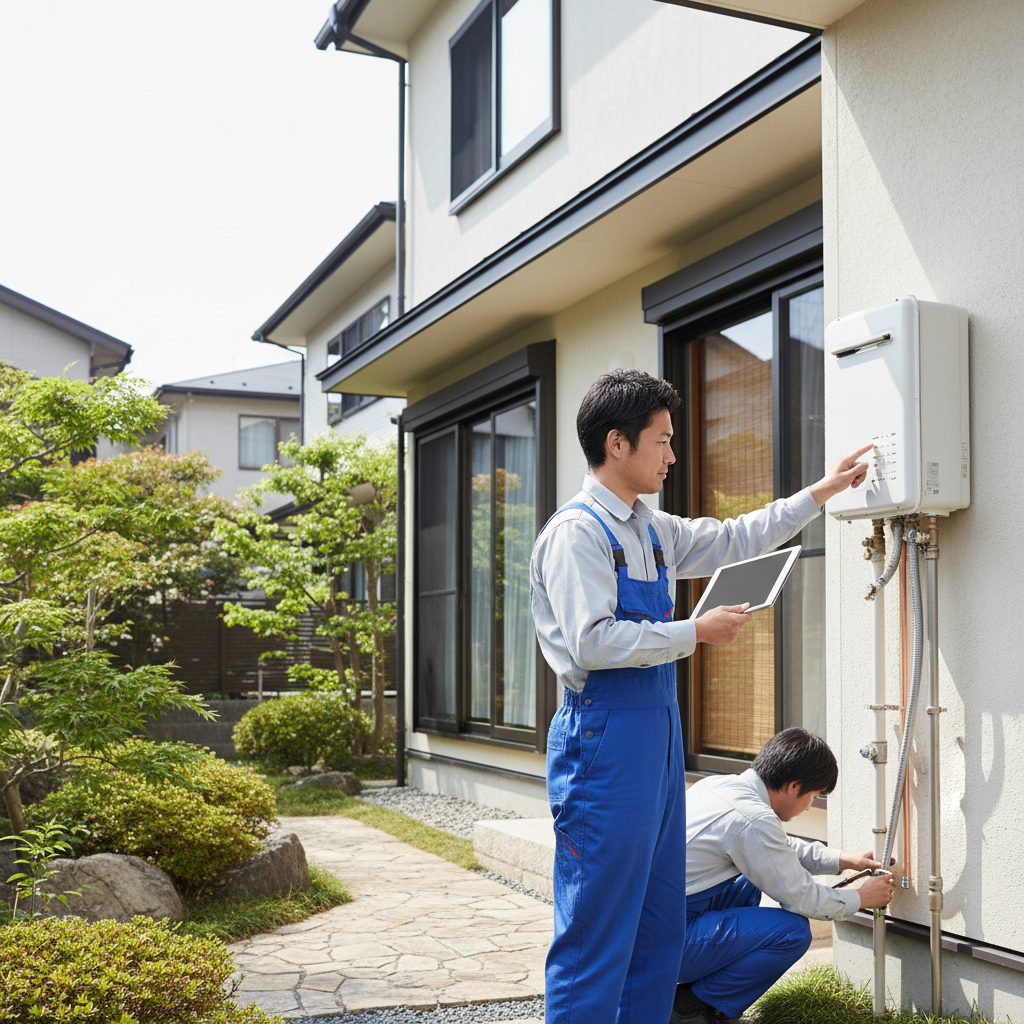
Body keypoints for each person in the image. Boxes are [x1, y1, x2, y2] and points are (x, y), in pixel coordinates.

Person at [530, 369, 872, 1024]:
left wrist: (821, 492)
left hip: (656, 738)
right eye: (662, 441)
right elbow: (592, 642)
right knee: (597, 930)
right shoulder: (577, 535)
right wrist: (695, 631)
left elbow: (734, 537)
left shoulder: (649, 528)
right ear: (618, 444)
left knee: (657, 930)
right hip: (602, 744)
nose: (673, 455)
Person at [670, 727, 896, 1024]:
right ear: (793, 786)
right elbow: (803, 899)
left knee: (749, 881)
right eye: (813, 796)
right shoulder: (752, 818)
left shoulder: (719, 786)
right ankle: (690, 1007)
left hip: (655, 921)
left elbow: (775, 849)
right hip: (666, 941)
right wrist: (860, 898)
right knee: (791, 933)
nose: (809, 806)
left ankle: (691, 989)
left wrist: (842, 859)